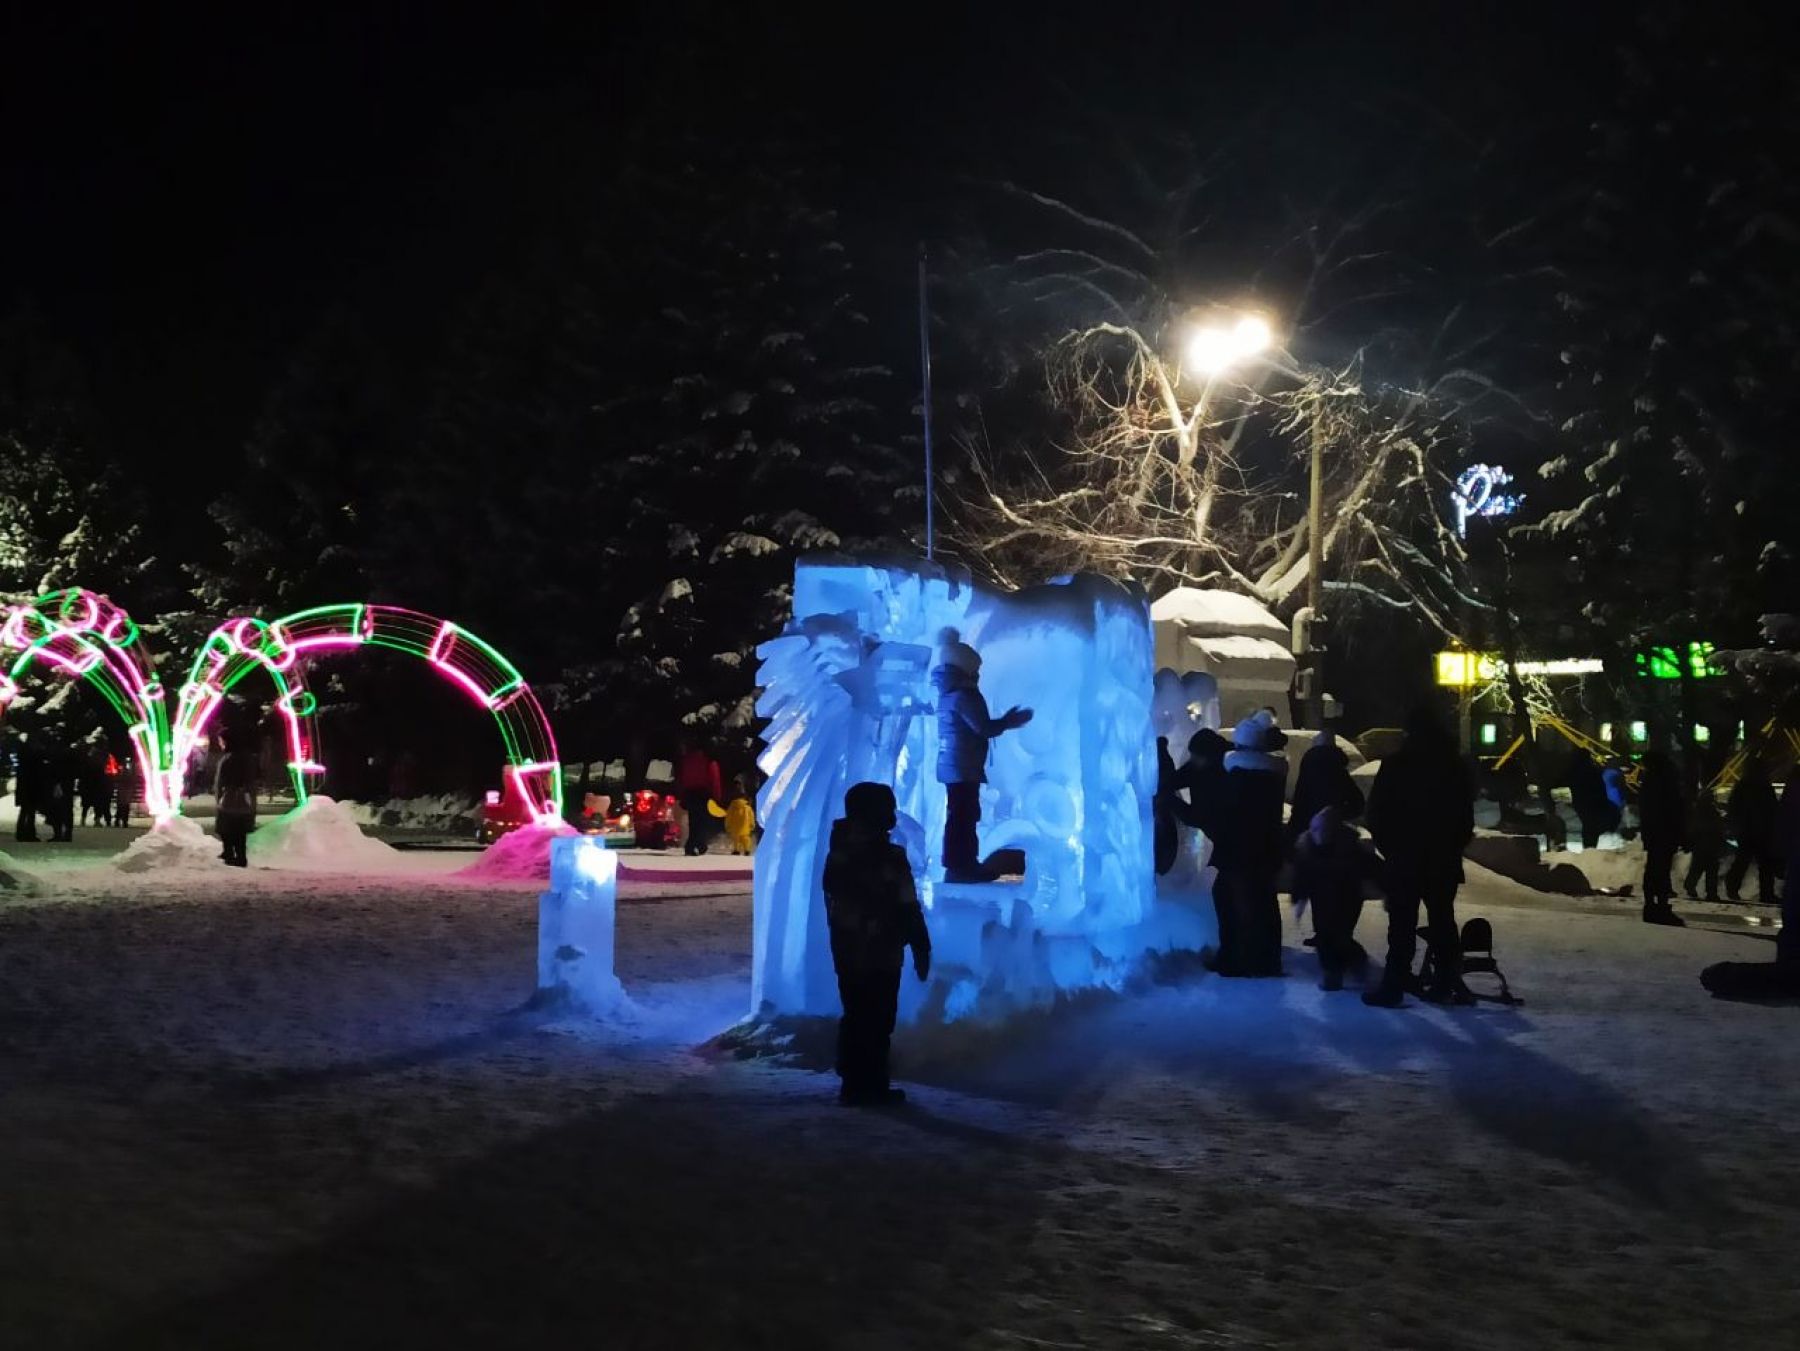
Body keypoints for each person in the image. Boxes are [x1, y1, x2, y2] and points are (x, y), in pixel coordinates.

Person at [821, 782, 931, 1107]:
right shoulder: (863, 856)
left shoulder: (849, 853)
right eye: (887, 808)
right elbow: (906, 905)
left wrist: (918, 943)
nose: (892, 815)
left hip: (871, 950)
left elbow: (908, 905)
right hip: (865, 951)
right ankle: (860, 1083)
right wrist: (919, 943)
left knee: (874, 1015)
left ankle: (867, 1080)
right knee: (867, 1015)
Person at [1364, 706, 1476, 1007]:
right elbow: (1465, 817)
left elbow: (1376, 814)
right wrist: (1452, 847)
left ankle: (1394, 984)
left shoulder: (1397, 765)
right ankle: (1446, 982)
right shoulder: (1454, 766)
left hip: (1405, 858)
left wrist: (1391, 848)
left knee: (1401, 925)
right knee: (1443, 920)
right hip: (1442, 859)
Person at [1190, 711, 1288, 977]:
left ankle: (1239, 960)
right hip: (1263, 852)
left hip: (1240, 853)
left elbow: (1224, 817)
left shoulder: (1240, 778)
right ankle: (1264, 959)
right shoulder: (1270, 775)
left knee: (1234, 905)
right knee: (1262, 904)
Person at [930, 628, 1031, 883]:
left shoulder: (947, 693)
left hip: (953, 763)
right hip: (963, 764)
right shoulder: (964, 695)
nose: (978, 674)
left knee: (958, 814)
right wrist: (1009, 721)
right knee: (965, 815)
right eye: (975, 669)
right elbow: (982, 728)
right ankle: (962, 866)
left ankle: (958, 864)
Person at [1291, 805, 1377, 991]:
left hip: (1348, 900)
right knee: (1324, 937)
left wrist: (1384, 888)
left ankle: (1353, 962)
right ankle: (1333, 972)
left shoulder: (1350, 848)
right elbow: (1302, 877)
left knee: (1341, 936)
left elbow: (1371, 867)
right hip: (1321, 901)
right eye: (1315, 829)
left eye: (1323, 829)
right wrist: (1299, 899)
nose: (1318, 834)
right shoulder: (1308, 849)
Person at [1287, 729, 1365, 845]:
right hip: (1333, 832)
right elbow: (1357, 803)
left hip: (1306, 829)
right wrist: (1339, 814)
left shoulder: (1308, 767)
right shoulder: (1338, 769)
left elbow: (1300, 801)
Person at [1635, 752, 1686, 926]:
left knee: (1654, 869)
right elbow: (1674, 809)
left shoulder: (1650, 782)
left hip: (1655, 833)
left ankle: (1652, 905)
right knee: (1661, 870)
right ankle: (1660, 907)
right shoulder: (1665, 782)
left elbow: (1648, 810)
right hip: (1665, 832)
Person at [1726, 761, 1778, 904]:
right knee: (1764, 864)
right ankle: (1767, 893)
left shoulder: (1743, 785)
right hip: (1758, 830)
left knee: (1744, 861)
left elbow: (1734, 808)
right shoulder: (1764, 786)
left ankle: (1732, 886)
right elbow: (1772, 809)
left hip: (1748, 830)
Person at [213, 733, 258, 867]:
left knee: (227, 826)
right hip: (243, 798)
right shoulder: (246, 759)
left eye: (221, 741)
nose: (220, 744)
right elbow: (251, 780)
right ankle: (240, 855)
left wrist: (218, 795)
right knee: (239, 830)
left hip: (230, 796)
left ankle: (230, 853)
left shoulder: (227, 759)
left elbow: (220, 781)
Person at [674, 739, 723, 857]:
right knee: (702, 821)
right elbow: (714, 779)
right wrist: (717, 796)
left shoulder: (687, 760)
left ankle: (692, 845)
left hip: (690, 793)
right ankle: (699, 844)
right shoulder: (709, 761)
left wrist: (682, 794)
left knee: (694, 820)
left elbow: (682, 778)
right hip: (703, 793)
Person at [1567, 754, 1620, 849]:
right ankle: (1590, 849)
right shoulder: (1593, 771)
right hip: (1593, 803)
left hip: (1583, 804)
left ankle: (1589, 849)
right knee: (1591, 827)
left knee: (1588, 826)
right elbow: (1601, 788)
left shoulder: (1574, 771)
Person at [1683, 788, 1725, 902]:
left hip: (1701, 845)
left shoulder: (1697, 811)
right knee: (1711, 870)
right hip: (1709, 844)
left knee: (1698, 867)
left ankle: (1691, 885)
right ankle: (1711, 892)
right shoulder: (1712, 812)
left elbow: (1692, 829)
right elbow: (1718, 828)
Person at [12, 737, 45, 842]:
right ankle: (29, 833)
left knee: (24, 811)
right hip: (32, 789)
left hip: (24, 789)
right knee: (30, 812)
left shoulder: (23, 760)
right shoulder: (34, 761)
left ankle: (21, 833)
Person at [112, 759, 138, 827]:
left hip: (125, 787)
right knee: (124, 804)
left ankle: (120, 820)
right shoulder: (128, 769)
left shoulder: (123, 769)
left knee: (123, 804)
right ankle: (122, 821)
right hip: (125, 787)